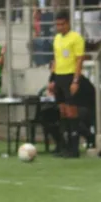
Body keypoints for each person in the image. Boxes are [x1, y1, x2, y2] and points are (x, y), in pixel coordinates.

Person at [50, 11, 87, 157]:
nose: (59, 27)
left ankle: (74, 148)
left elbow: (79, 60)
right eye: (57, 24)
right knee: (63, 111)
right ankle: (64, 146)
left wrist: (76, 80)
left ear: (68, 23)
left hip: (70, 77)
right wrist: (52, 79)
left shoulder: (76, 38)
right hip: (59, 77)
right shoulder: (57, 38)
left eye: (62, 24)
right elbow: (56, 60)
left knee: (72, 111)